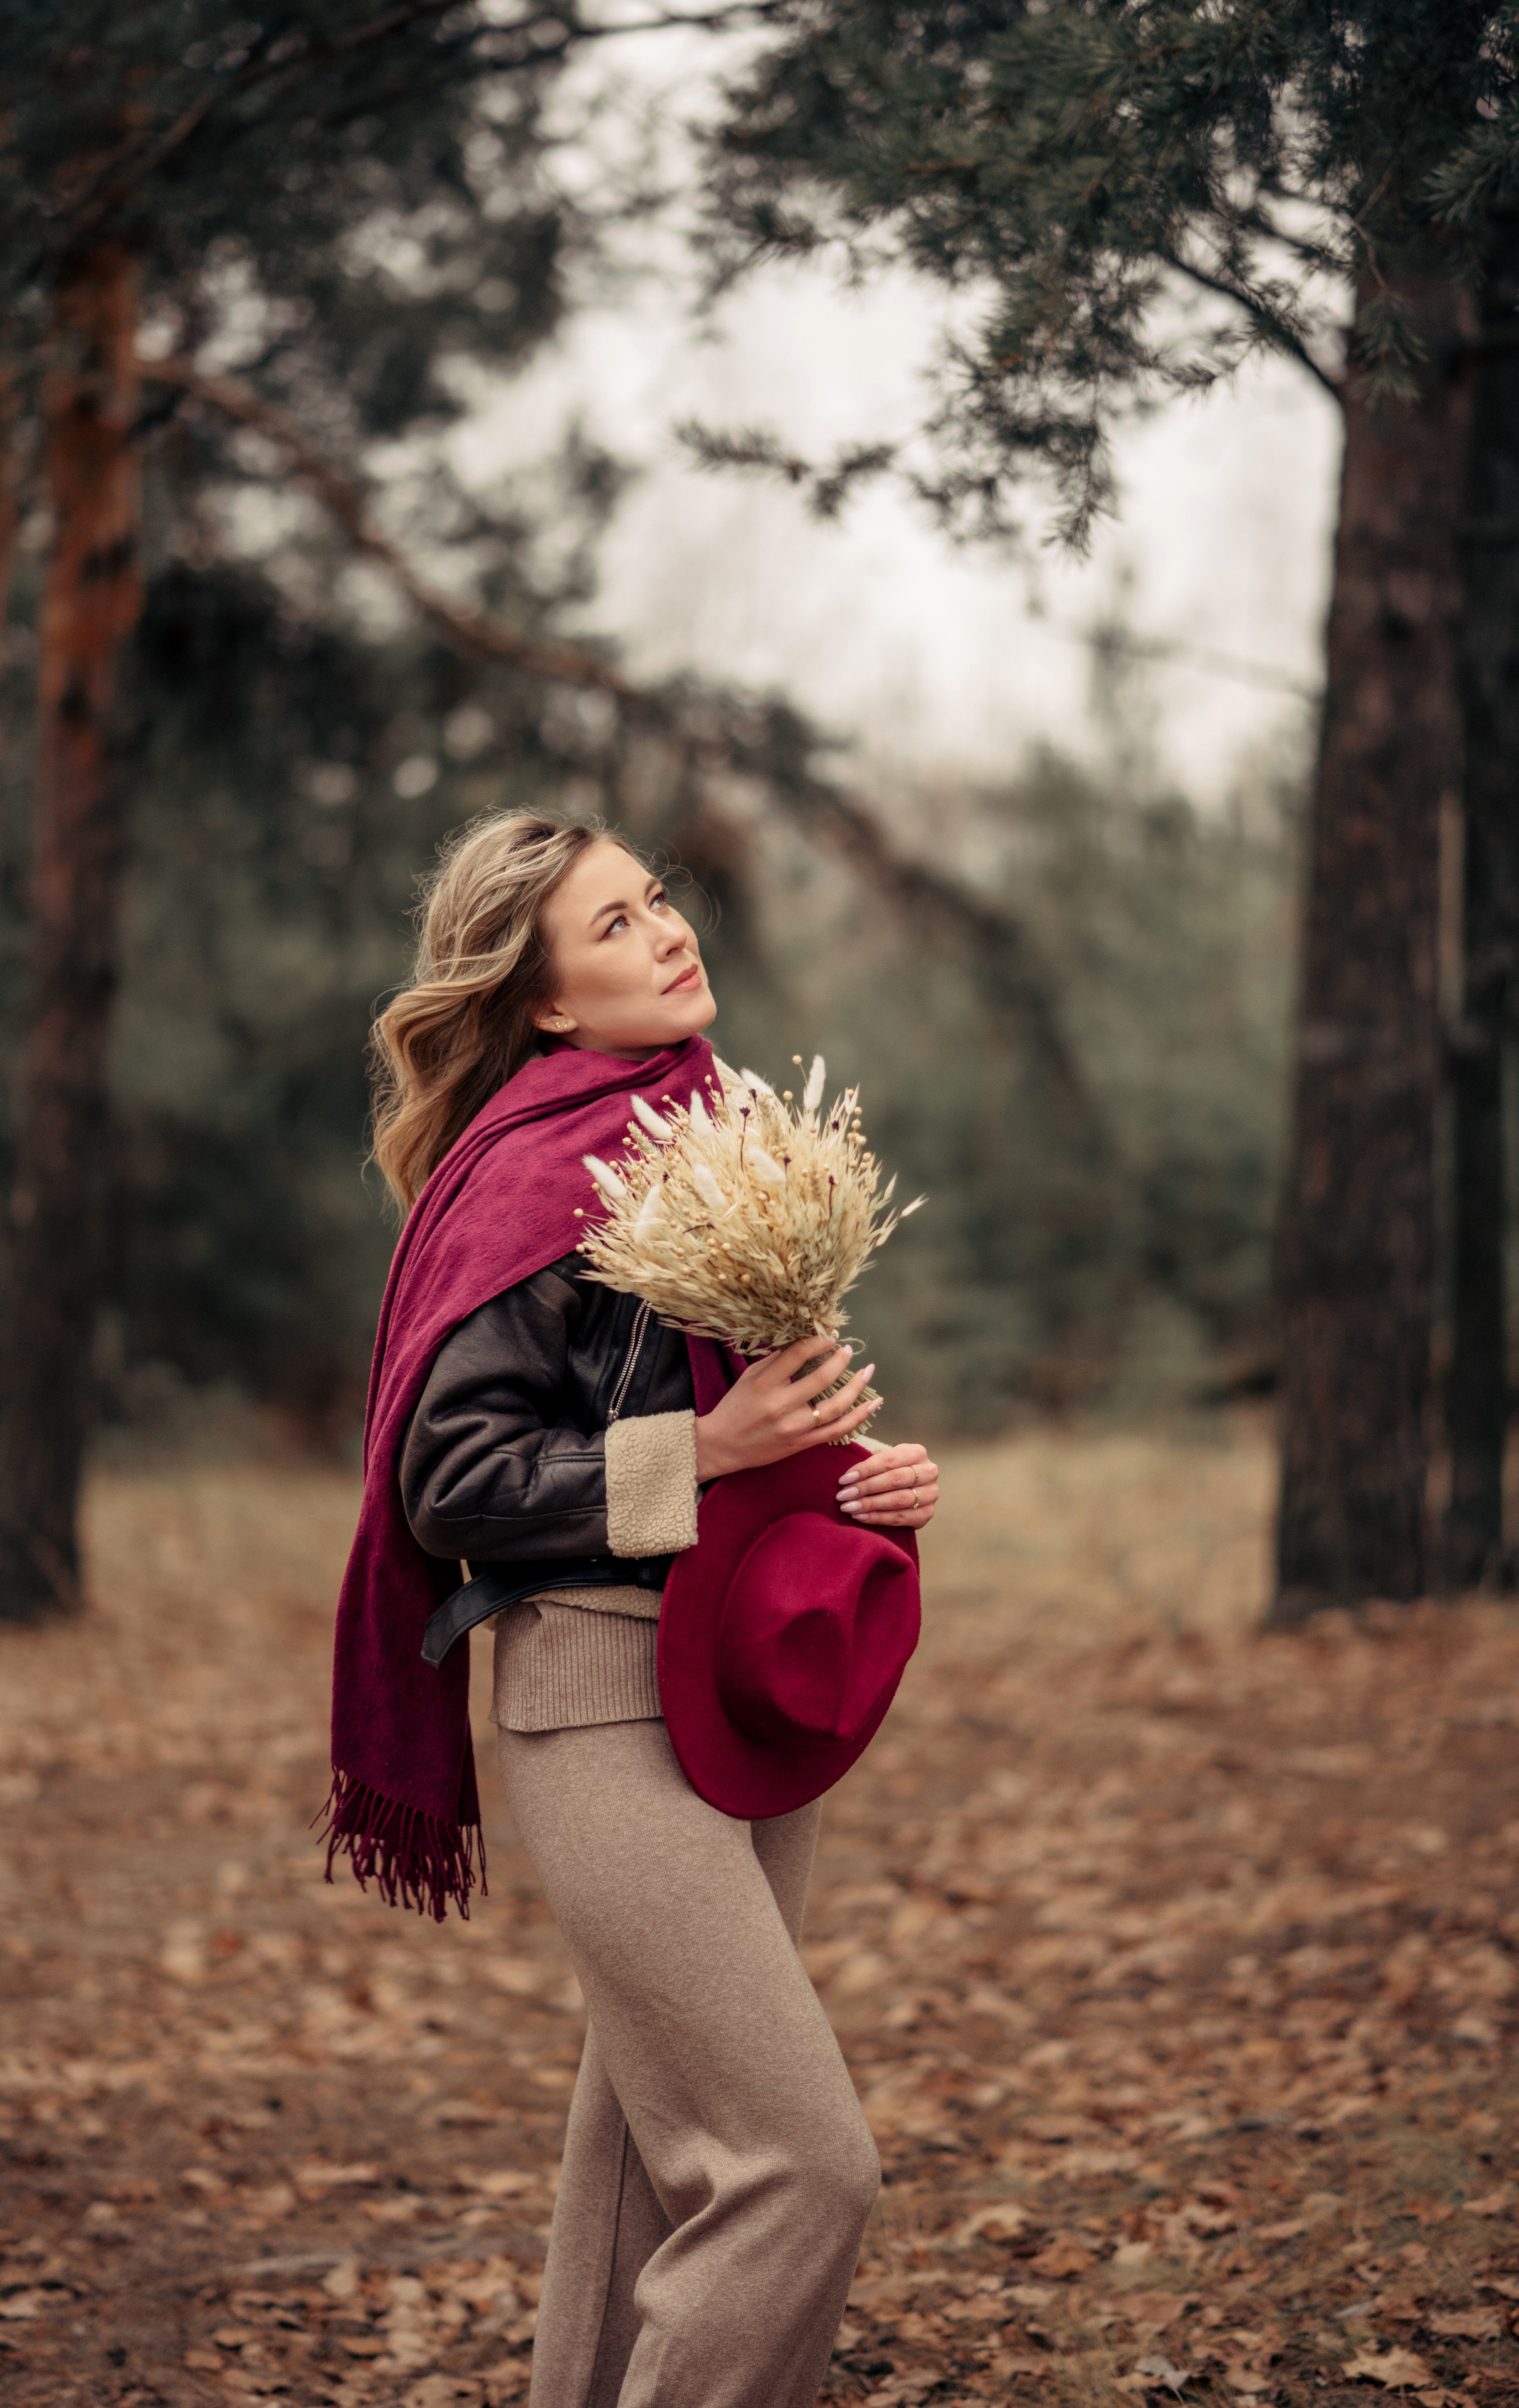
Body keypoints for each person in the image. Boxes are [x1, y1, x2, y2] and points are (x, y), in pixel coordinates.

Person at [325, 812, 940, 2408]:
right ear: (542, 1002)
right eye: (614, 926)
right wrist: (708, 1450)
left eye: (657, 898)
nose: (667, 930)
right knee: (799, 2169)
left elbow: (757, 1420)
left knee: (650, 2176)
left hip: (736, 1685)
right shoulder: (531, 1178)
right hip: (596, 1696)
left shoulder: (716, 1134)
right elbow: (446, 1482)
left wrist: (860, 1476)